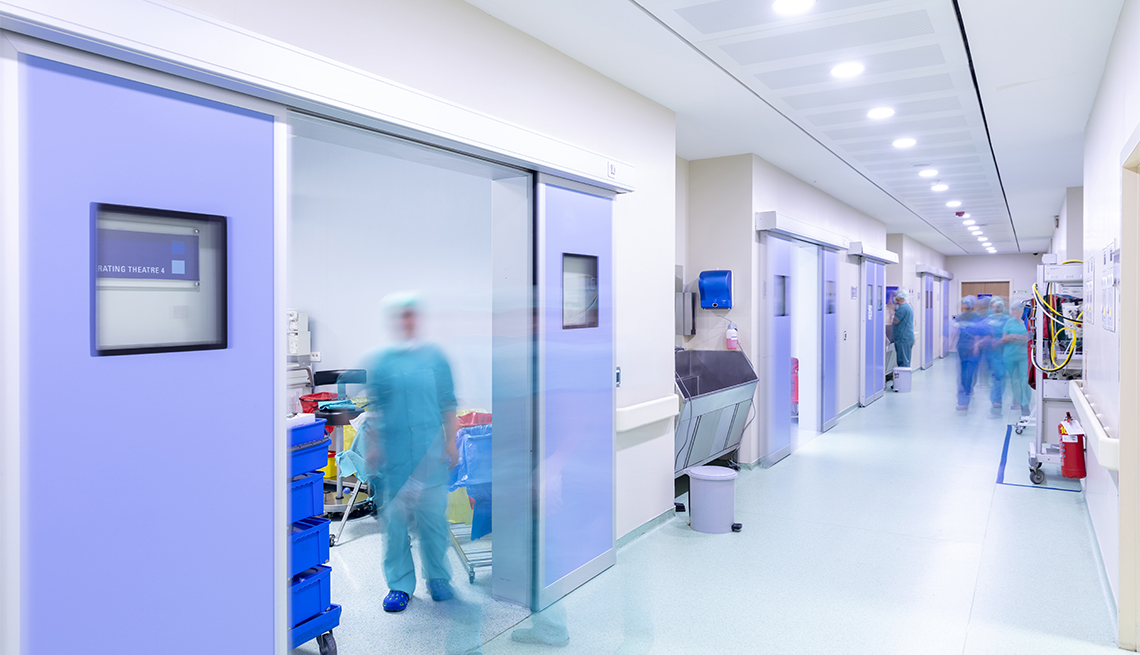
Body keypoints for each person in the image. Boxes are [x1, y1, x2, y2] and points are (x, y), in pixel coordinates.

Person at [360, 292, 459, 613]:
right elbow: (375, 408)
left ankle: (439, 578)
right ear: (393, 320)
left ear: (418, 318)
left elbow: (448, 401)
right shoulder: (382, 361)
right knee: (396, 526)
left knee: (433, 522)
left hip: (430, 454)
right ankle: (399, 585)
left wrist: (451, 440)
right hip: (395, 455)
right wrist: (374, 447)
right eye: (401, 315)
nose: (407, 321)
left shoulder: (435, 358)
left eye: (411, 314)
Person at [1001, 302, 1032, 416]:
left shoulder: (1028, 321)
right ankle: (1017, 401)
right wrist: (1009, 337)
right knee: (1014, 380)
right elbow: (1003, 338)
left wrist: (1019, 338)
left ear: (1021, 311)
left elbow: (1032, 337)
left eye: (1015, 310)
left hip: (1024, 355)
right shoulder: (1009, 322)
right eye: (1012, 310)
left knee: (1024, 380)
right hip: (1010, 355)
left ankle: (1025, 404)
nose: (1013, 312)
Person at [982, 299, 1010, 415]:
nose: (997, 309)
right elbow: (983, 334)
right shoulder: (988, 320)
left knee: (999, 375)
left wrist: (999, 341)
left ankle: (997, 399)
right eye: (995, 307)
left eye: (999, 307)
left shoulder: (1007, 320)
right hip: (991, 351)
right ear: (991, 308)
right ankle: (996, 398)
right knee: (995, 375)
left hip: (1003, 350)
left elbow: (1009, 334)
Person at [956, 296, 984, 410]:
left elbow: (981, 333)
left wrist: (976, 345)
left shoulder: (978, 317)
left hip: (972, 348)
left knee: (969, 371)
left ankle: (968, 389)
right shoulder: (960, 317)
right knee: (966, 371)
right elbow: (955, 330)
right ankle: (966, 393)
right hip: (964, 347)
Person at [891, 289, 915, 368]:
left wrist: (891, 311)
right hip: (907, 337)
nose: (896, 301)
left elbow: (896, 320)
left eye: (898, 299)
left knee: (903, 361)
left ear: (902, 298)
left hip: (903, 338)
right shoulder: (908, 307)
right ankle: (904, 378)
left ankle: (903, 379)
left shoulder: (902, 308)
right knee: (905, 359)